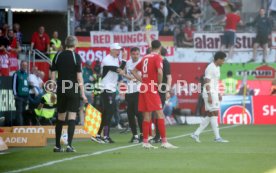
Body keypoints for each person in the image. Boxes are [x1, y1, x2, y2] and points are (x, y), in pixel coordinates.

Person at [131, 40, 177, 149]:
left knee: (147, 115)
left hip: (144, 88)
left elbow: (133, 71)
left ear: (151, 47)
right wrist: (159, 84)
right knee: (160, 114)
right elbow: (160, 72)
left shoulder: (145, 57)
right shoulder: (157, 58)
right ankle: (164, 142)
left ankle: (145, 142)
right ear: (160, 48)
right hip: (152, 88)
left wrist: (142, 81)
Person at [50, 36, 88, 152]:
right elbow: (79, 78)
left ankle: (57, 146)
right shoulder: (76, 57)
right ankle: (69, 146)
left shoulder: (58, 55)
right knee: (72, 116)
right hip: (73, 89)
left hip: (61, 89)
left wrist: (52, 91)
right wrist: (83, 94)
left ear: (65, 44)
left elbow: (53, 75)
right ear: (75, 44)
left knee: (60, 117)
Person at [91, 43, 127, 144]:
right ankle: (103, 136)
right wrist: (124, 59)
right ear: (111, 50)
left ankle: (99, 135)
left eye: (119, 50)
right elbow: (119, 70)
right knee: (109, 113)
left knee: (108, 113)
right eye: (116, 50)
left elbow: (120, 71)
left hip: (111, 89)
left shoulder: (115, 59)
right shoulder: (107, 60)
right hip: (107, 89)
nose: (118, 52)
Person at [191, 51, 228, 143]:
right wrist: (209, 95)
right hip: (210, 92)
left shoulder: (217, 67)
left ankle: (196, 134)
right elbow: (206, 81)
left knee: (211, 114)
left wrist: (219, 93)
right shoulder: (210, 68)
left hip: (214, 92)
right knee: (215, 112)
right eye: (223, 60)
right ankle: (217, 137)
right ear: (218, 59)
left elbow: (215, 82)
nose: (223, 62)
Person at [120, 47, 143, 143]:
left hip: (139, 91)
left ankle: (142, 135)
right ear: (130, 54)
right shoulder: (128, 63)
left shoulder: (142, 62)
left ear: (139, 54)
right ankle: (135, 135)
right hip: (129, 92)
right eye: (133, 54)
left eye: (137, 54)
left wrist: (125, 75)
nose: (135, 56)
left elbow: (138, 79)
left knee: (139, 114)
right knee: (130, 114)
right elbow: (121, 73)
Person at [151, 47, 172, 143]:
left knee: (158, 113)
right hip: (154, 89)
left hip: (162, 90)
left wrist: (167, 91)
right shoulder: (157, 61)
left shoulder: (165, 62)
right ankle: (157, 135)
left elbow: (169, 77)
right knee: (155, 113)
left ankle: (159, 136)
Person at [12, 60, 29, 125]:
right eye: (23, 65)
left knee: (24, 111)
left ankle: (23, 126)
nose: (25, 67)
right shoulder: (16, 74)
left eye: (26, 65)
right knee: (19, 111)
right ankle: (20, 126)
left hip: (25, 96)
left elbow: (27, 85)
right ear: (21, 65)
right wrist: (15, 94)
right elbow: (14, 85)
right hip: (19, 96)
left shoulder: (26, 75)